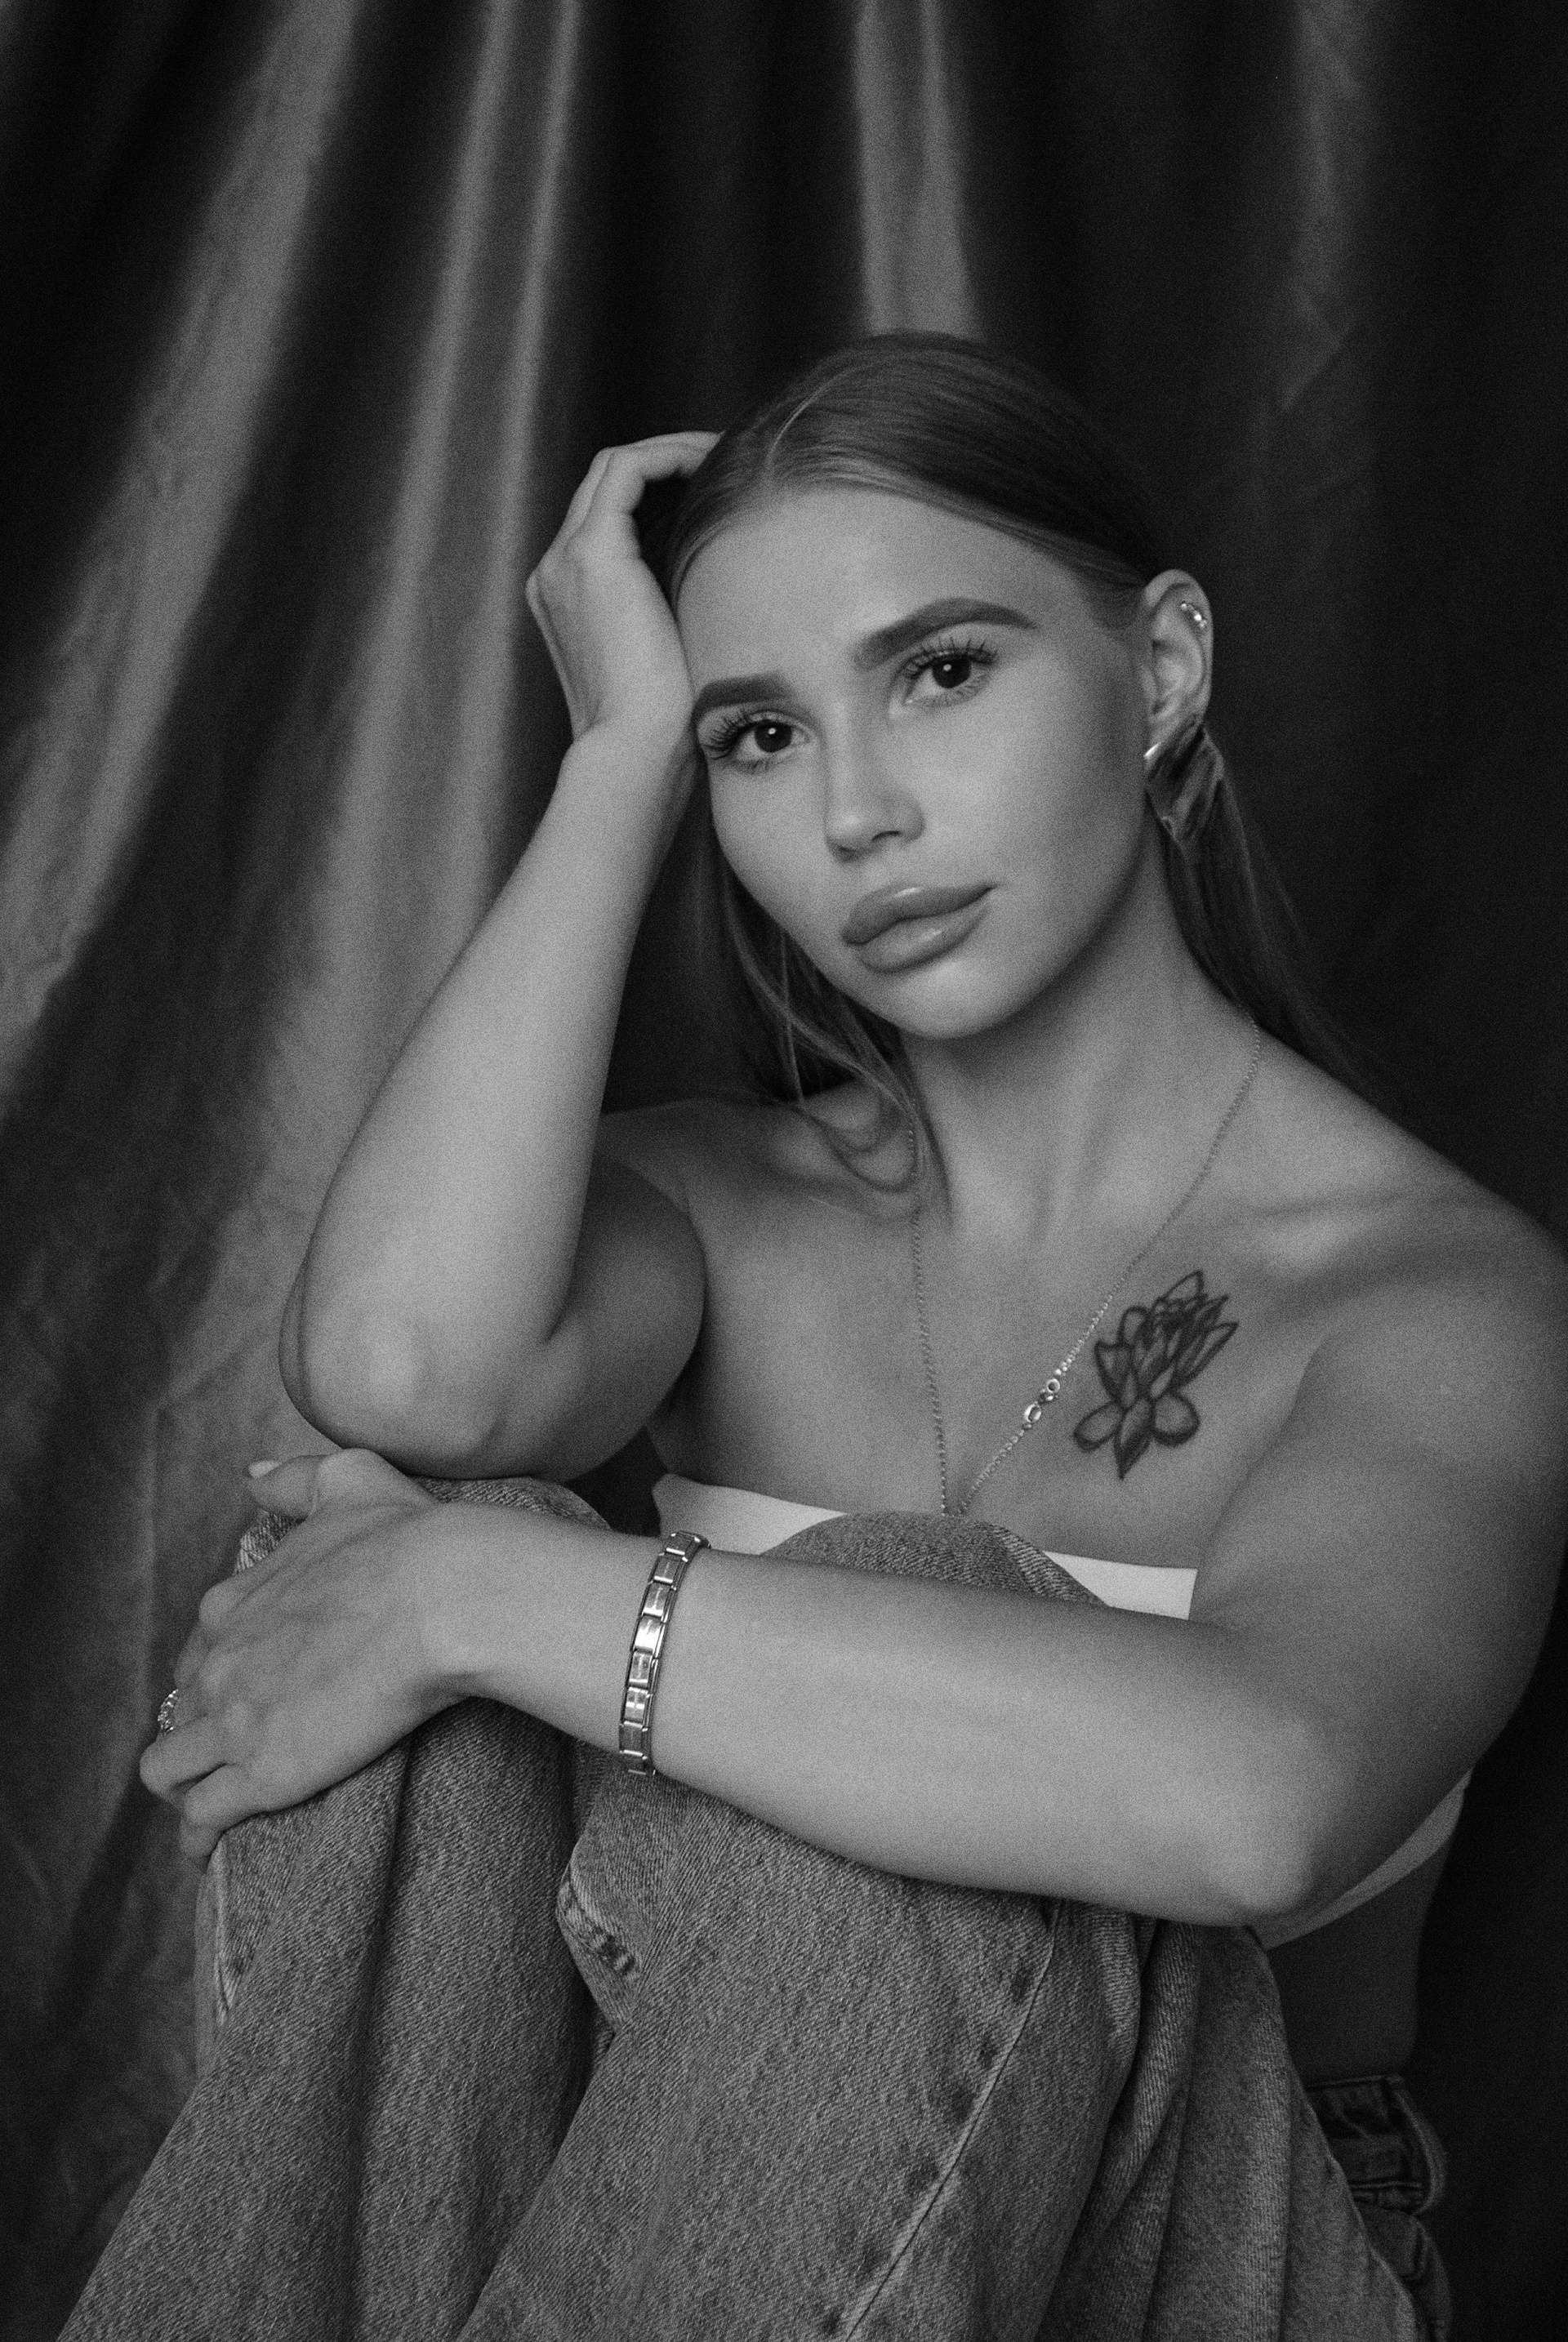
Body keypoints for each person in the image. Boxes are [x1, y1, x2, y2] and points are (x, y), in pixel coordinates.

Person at [113, 335, 1564, 2337]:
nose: (858, 813)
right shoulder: (726, 1208)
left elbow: (1264, 1793)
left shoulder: (1431, 1294)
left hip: (1200, 2264)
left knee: (882, 1625)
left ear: (1160, 671)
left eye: (942, 672)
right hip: (671, 2235)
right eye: (759, 739)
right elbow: (401, 1377)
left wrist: (467, 1592)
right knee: (449, 1647)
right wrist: (616, 758)